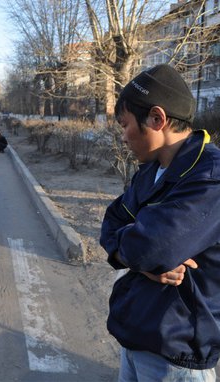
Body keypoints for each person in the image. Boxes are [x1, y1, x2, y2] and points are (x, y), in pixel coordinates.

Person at [100, 64, 220, 381]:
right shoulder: (151, 171)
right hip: (138, 336)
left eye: (125, 124)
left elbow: (151, 245)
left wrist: (143, 252)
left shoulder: (209, 176)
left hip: (177, 355)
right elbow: (112, 225)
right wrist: (144, 265)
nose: (123, 136)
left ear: (157, 119)